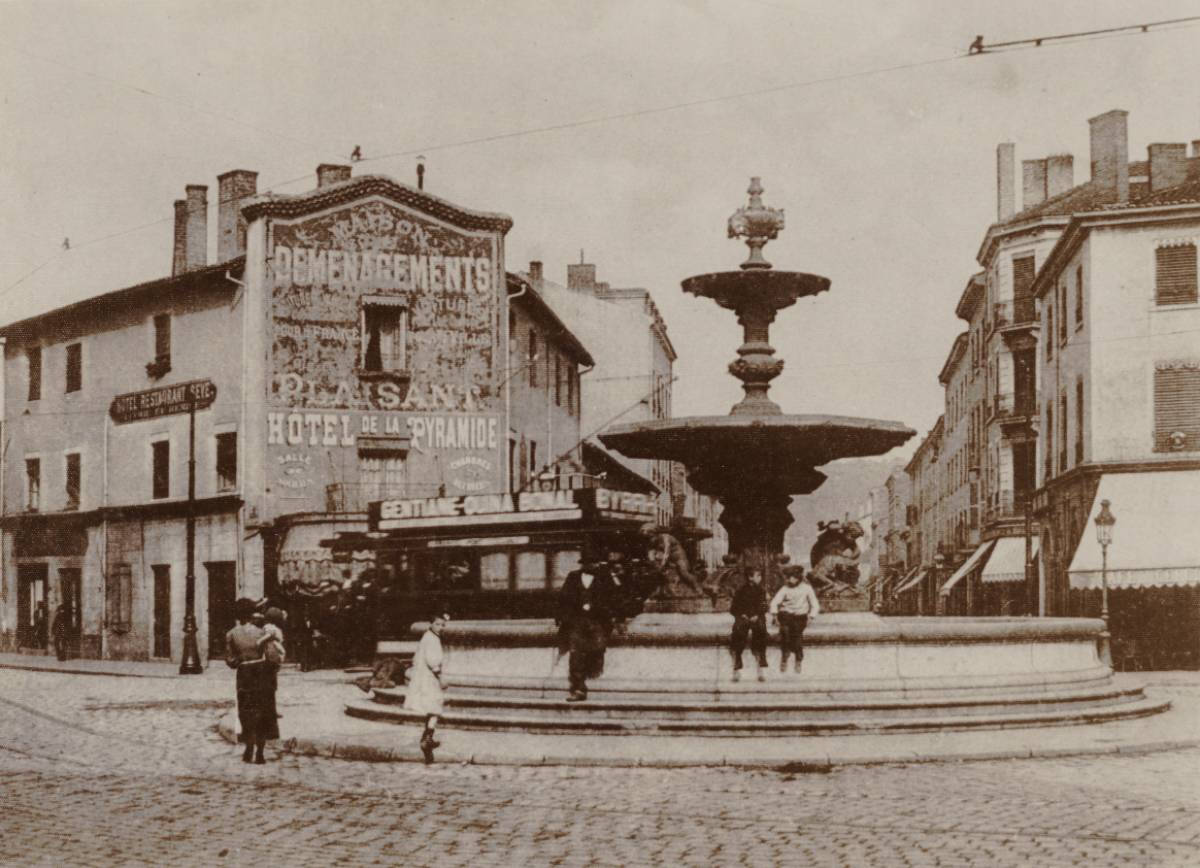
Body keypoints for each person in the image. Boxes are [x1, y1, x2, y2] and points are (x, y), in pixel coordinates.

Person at [557, 549, 621, 701]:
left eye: (595, 563)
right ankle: (578, 688)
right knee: (575, 653)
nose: (593, 566)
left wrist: (611, 615)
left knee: (597, 649)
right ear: (583, 564)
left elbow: (613, 597)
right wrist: (562, 617)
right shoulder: (573, 577)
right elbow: (564, 597)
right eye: (589, 563)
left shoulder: (605, 577)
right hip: (577, 620)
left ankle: (591, 675)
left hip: (597, 620)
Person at [225, 598, 279, 764]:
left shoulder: (231, 634)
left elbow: (230, 661)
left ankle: (248, 748)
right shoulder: (262, 633)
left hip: (244, 675)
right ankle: (260, 753)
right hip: (261, 673)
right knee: (262, 711)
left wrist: (241, 660)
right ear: (251, 614)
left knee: (246, 711)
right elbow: (273, 657)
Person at [404, 611, 450, 764]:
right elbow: (432, 661)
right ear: (431, 624)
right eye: (437, 624)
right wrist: (441, 678)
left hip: (424, 677)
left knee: (431, 708)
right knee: (435, 707)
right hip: (429, 678)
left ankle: (427, 740)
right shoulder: (432, 640)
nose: (440, 627)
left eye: (443, 625)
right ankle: (427, 738)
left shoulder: (428, 637)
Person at [769, 568, 820, 673]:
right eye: (788, 578)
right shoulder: (785, 588)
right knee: (785, 632)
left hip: (800, 616)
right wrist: (774, 616)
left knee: (797, 635)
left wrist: (811, 617)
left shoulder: (807, 588)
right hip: (786, 616)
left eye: (792, 578)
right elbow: (774, 602)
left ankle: (798, 659)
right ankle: (785, 656)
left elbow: (815, 604)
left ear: (798, 578)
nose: (789, 580)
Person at [729, 569, 769, 682]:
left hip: (757, 617)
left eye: (760, 576)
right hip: (744, 618)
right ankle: (737, 667)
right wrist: (742, 614)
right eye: (758, 576)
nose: (760, 578)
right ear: (750, 577)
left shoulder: (761, 591)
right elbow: (733, 608)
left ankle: (761, 665)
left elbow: (764, 606)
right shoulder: (740, 591)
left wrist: (758, 614)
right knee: (738, 633)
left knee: (761, 632)